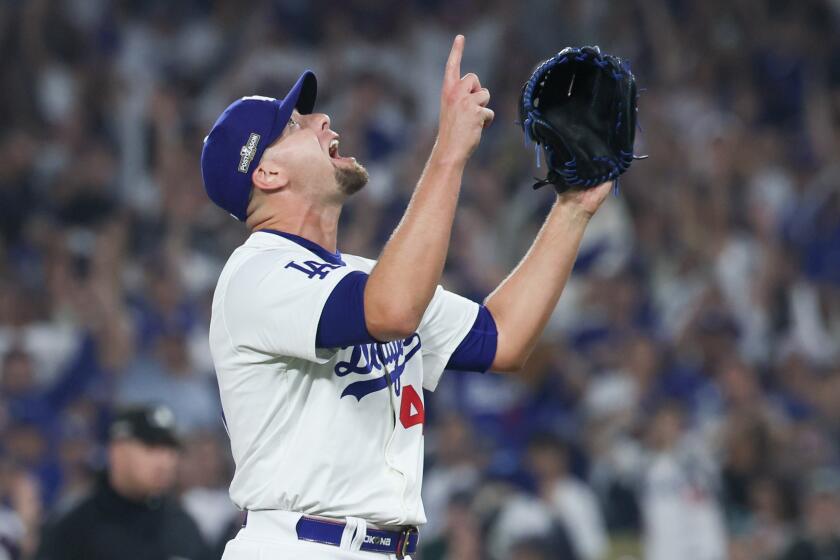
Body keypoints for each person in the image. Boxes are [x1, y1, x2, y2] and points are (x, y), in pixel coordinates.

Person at [202, 35, 614, 559]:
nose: (321, 119)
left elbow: (502, 339)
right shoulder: (254, 274)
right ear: (267, 172)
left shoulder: (367, 277)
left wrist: (573, 208)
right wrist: (448, 150)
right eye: (295, 125)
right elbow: (392, 311)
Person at [35, 405, 210, 560]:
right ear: (117, 452)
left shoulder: (183, 525)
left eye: (170, 450)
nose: (165, 461)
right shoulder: (75, 528)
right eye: (151, 448)